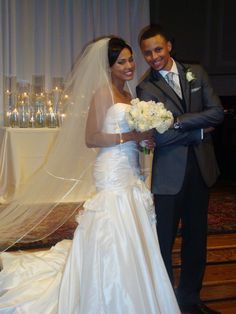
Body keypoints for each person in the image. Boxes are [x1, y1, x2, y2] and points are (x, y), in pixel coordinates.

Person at [0, 37, 181, 313]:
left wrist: (144, 142)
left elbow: (130, 136)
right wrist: (132, 135)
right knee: (114, 225)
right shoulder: (103, 93)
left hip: (131, 169)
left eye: (131, 59)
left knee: (133, 226)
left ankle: (137, 285)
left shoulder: (130, 95)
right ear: (109, 66)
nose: (129, 65)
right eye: (121, 62)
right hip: (111, 171)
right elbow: (92, 137)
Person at [136, 24, 224, 314]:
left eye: (158, 49)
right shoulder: (145, 87)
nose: (153, 57)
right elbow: (160, 137)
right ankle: (165, 302)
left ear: (169, 46)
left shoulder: (195, 73)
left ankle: (190, 299)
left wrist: (178, 121)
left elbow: (217, 112)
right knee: (164, 241)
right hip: (168, 176)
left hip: (200, 168)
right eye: (147, 53)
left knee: (197, 238)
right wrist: (198, 129)